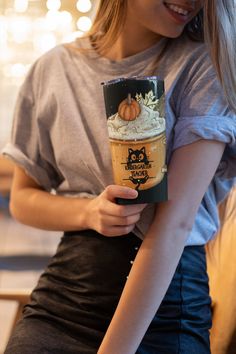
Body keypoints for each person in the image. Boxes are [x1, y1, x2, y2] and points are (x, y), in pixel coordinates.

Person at [2, 0, 236, 353]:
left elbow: (175, 225)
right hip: (65, 299)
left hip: (164, 308)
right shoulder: (52, 69)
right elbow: (22, 197)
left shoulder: (203, 66)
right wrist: (88, 212)